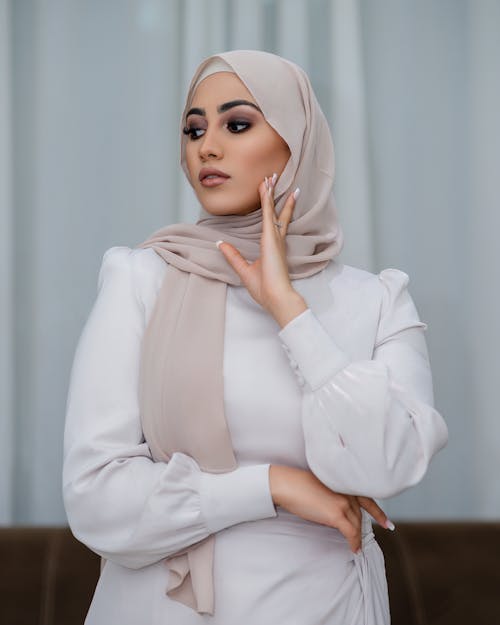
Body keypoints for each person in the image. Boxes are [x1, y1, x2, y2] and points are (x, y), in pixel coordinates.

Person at [62, 50, 448, 625]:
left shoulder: (377, 300)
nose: (206, 147)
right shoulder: (142, 278)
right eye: (194, 129)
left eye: (236, 124)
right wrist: (273, 486)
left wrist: (289, 311)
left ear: (297, 141)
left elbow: (388, 466)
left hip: (326, 605)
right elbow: (94, 498)